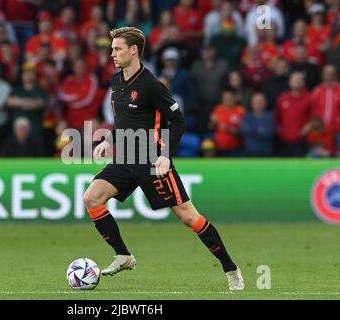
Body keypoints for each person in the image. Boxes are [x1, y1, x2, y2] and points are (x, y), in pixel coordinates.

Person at [84, 27, 244, 290]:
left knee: (190, 218)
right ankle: (123, 255)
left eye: (117, 49)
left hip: (152, 161)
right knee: (91, 197)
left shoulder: (151, 85)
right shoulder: (116, 81)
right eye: (112, 49)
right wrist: (109, 140)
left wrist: (165, 156)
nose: (112, 54)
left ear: (133, 50)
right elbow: (125, 121)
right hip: (124, 158)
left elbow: (177, 120)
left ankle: (231, 268)